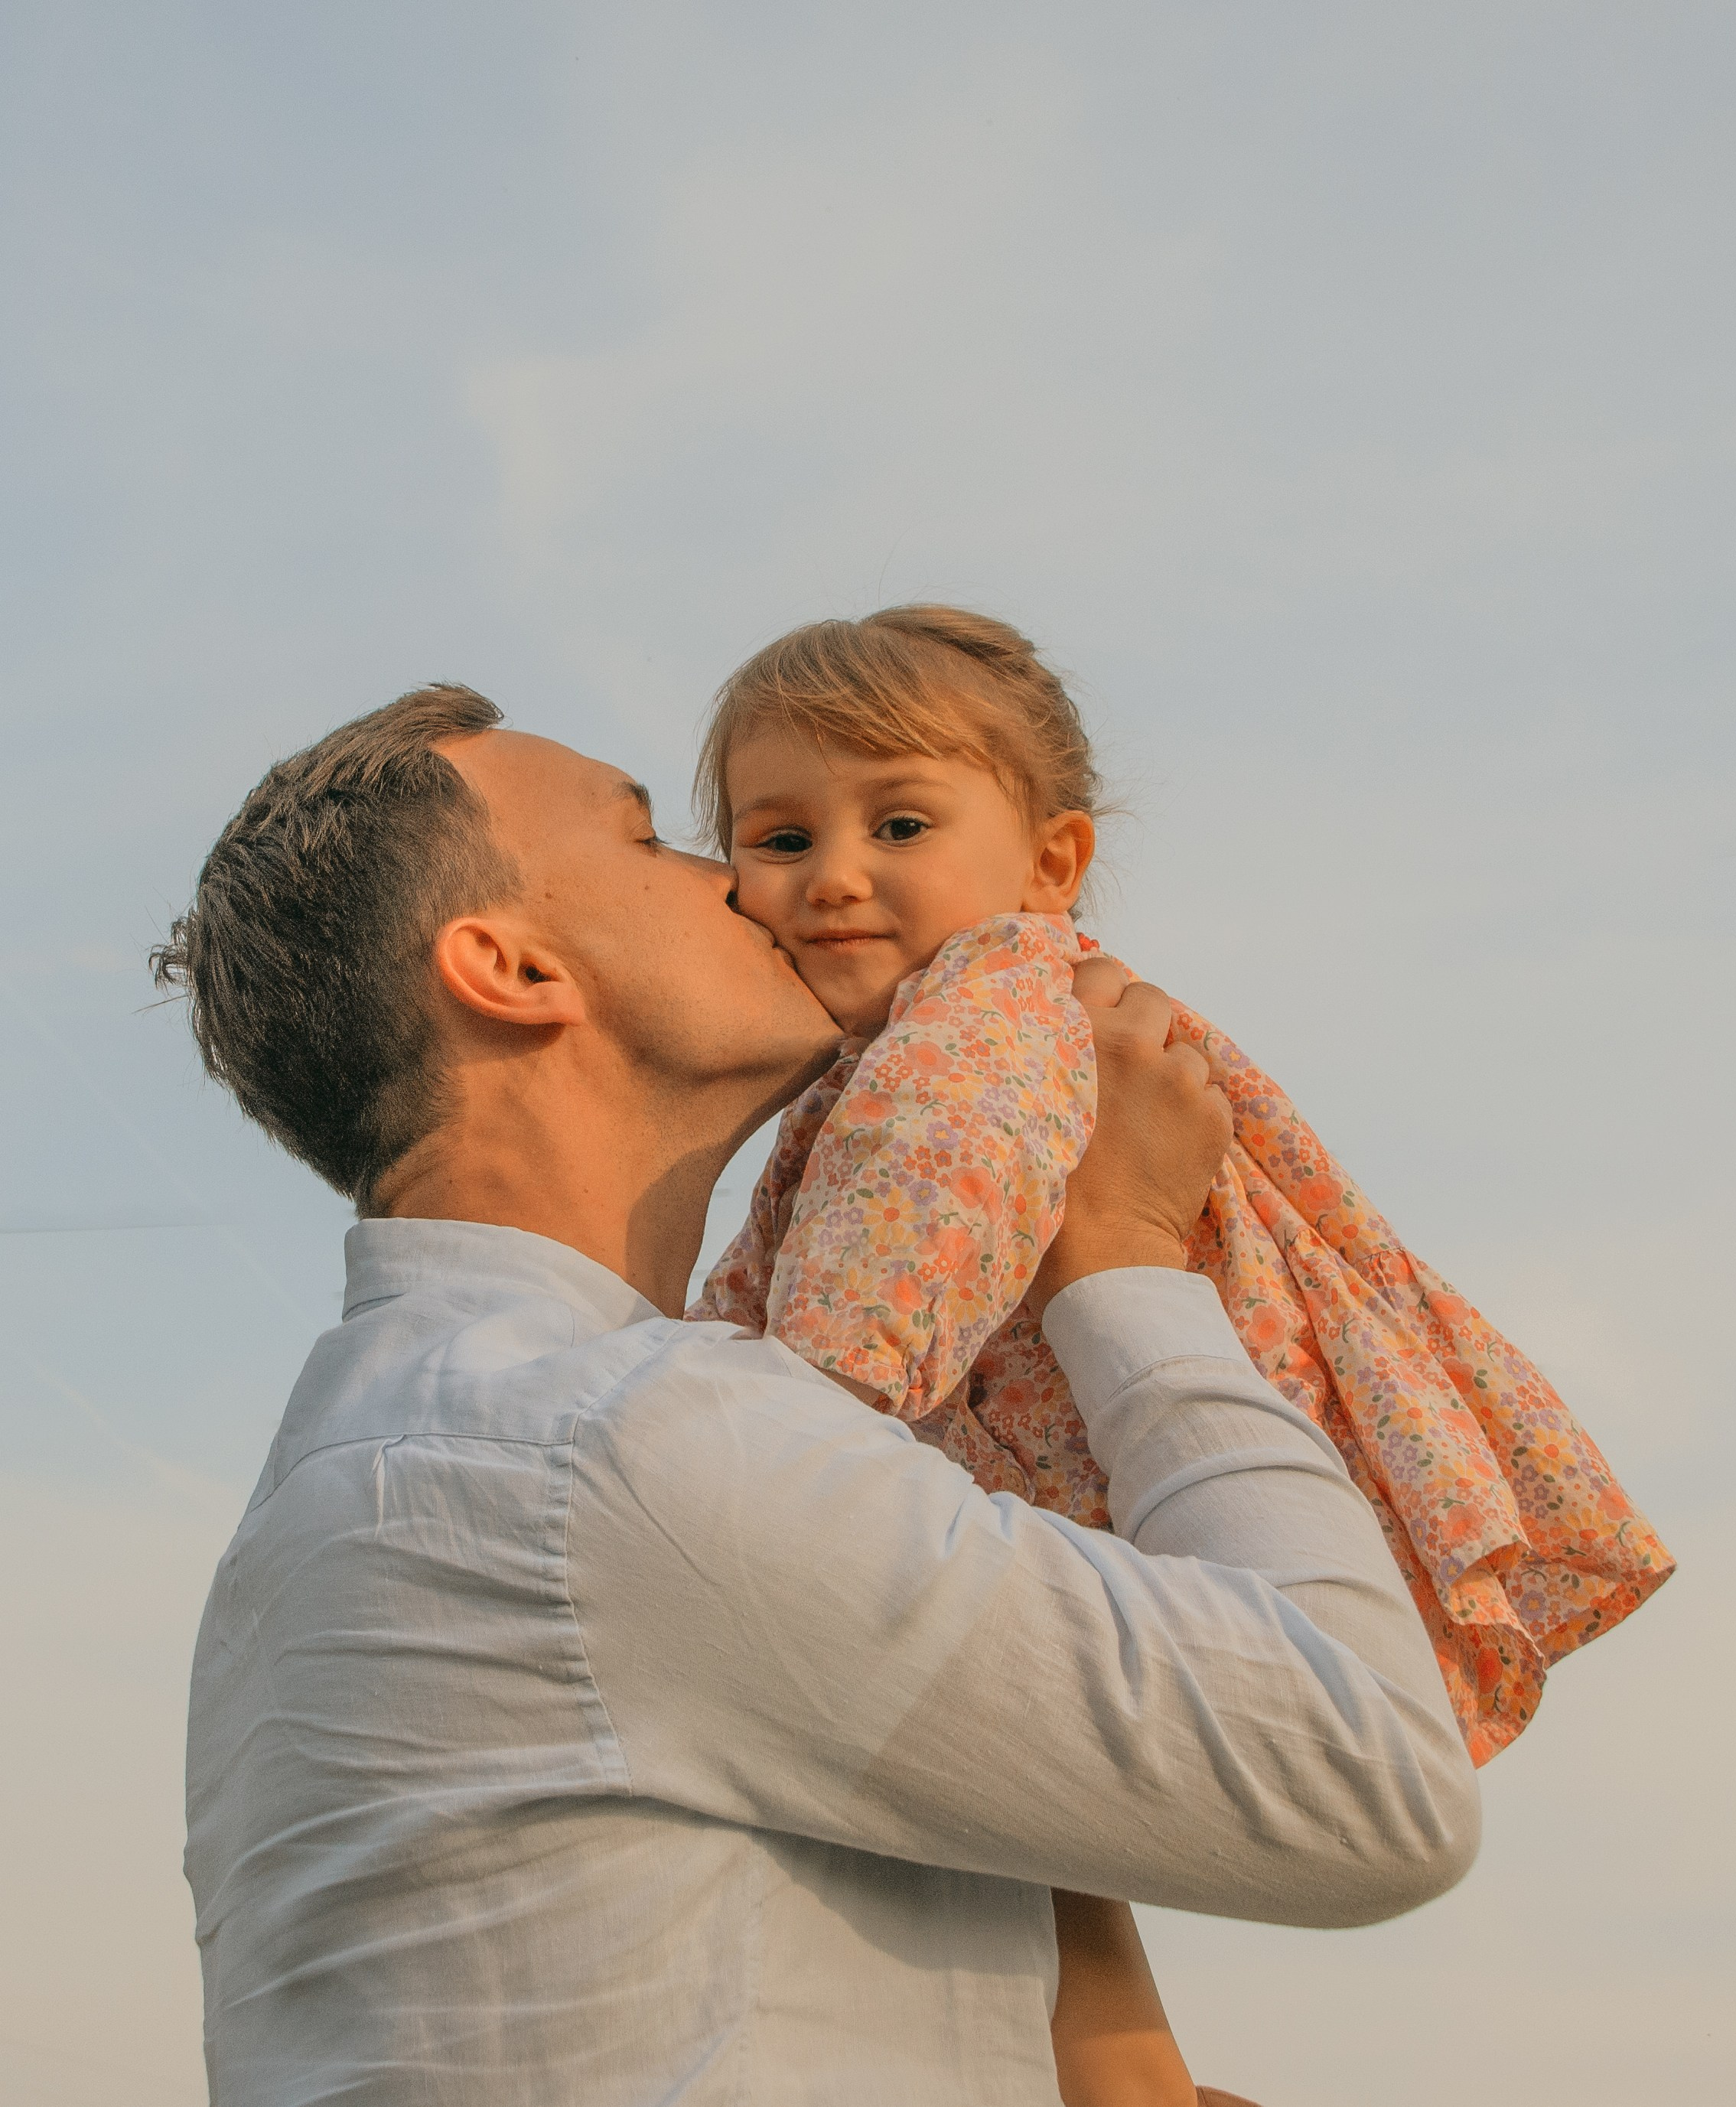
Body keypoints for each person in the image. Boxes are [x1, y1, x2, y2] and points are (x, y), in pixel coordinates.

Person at [156, 681, 1479, 2107]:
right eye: (650, 839)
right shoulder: (611, 1447)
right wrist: (1127, 1261)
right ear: (514, 968)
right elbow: (1372, 1773)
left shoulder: (398, 1464)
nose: (743, 881)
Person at [690, 605, 1671, 2101]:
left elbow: (920, 1199)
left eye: (897, 820)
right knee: (1026, 1824)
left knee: (1003, 1790)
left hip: (1072, 1434)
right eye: (774, 836)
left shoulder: (985, 1012)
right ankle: (1127, 2075)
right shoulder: (909, 1033)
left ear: (1049, 864)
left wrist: (787, 1413)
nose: (831, 874)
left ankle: (1125, 2077)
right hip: (1050, 1446)